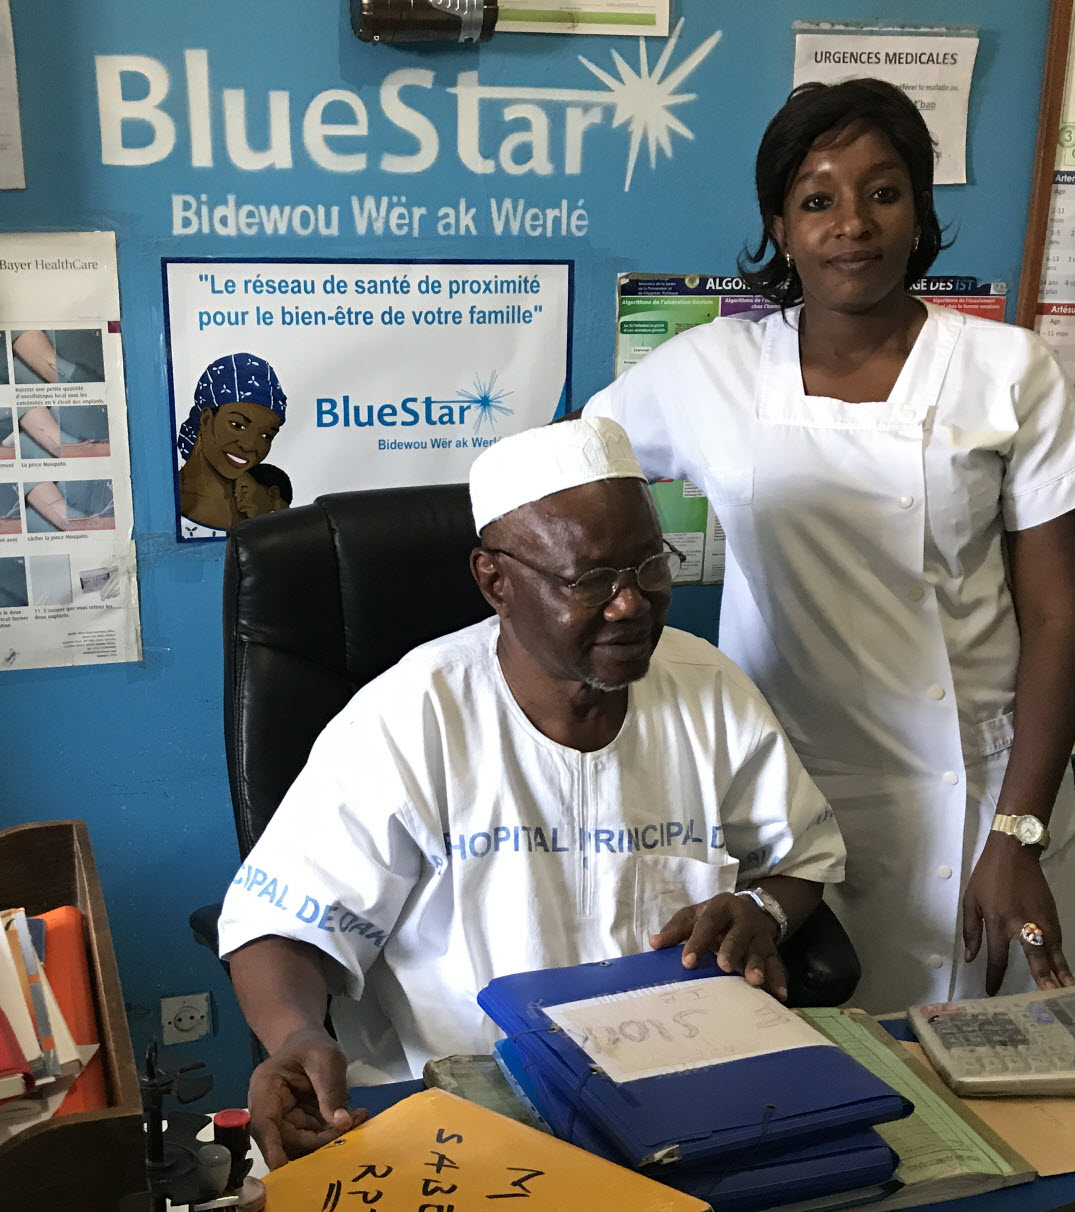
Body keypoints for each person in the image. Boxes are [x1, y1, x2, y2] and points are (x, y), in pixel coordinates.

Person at [582, 79, 1075, 1012]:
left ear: (921, 212)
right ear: (781, 227)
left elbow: (1061, 618)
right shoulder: (712, 369)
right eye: (817, 199)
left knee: (998, 1089)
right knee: (800, 1086)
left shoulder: (1007, 370)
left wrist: (1017, 834)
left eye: (883, 191)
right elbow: (578, 474)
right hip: (781, 797)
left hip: (982, 790)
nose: (852, 224)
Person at [218, 417, 846, 1167]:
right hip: (461, 1110)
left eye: (650, 567)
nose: (630, 604)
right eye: (590, 581)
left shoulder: (708, 691)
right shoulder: (412, 716)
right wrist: (295, 1034)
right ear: (495, 581)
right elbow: (281, 925)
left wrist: (762, 910)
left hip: (683, 1095)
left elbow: (802, 858)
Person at [176, 352, 292, 533]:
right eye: (237, 425)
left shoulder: (261, 505)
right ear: (206, 419)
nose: (249, 446)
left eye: (266, 436)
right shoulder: (165, 501)